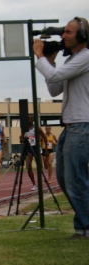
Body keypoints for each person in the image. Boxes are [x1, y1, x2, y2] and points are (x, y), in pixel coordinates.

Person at [33, 16, 89, 239]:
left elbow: (54, 76)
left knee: (76, 179)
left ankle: (84, 227)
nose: (63, 36)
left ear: (82, 36)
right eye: (63, 31)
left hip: (82, 125)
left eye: (68, 32)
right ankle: (84, 224)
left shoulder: (85, 57)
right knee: (66, 179)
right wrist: (51, 61)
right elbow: (55, 88)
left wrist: (39, 56)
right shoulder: (74, 60)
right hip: (72, 126)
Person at [19, 114, 48, 191]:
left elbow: (45, 138)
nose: (30, 119)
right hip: (28, 148)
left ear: (34, 120)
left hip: (36, 148)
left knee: (39, 166)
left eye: (31, 118)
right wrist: (21, 139)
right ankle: (34, 184)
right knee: (29, 166)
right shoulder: (24, 128)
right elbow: (21, 139)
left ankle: (41, 183)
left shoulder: (37, 128)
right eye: (28, 118)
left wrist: (46, 149)